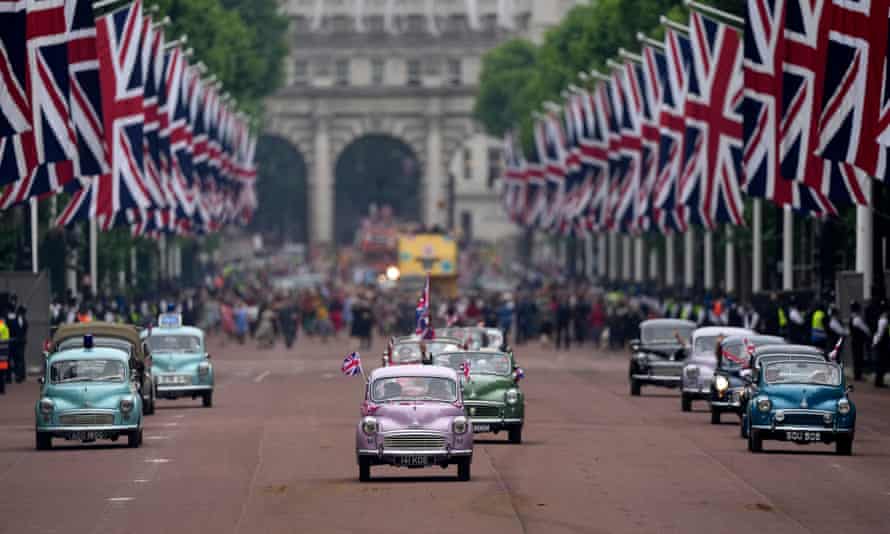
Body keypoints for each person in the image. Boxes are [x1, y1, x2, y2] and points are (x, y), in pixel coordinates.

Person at [849, 301, 871, 381]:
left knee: (856, 358)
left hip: (854, 341)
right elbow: (865, 329)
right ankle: (858, 375)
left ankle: (857, 375)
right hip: (858, 342)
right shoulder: (857, 319)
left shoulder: (852, 317)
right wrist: (869, 334)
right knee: (859, 358)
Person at [871, 300, 889, 388]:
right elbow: (880, 333)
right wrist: (876, 342)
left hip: (879, 343)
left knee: (880, 362)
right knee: (881, 363)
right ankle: (879, 381)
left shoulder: (881, 319)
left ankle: (878, 381)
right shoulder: (884, 320)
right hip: (881, 344)